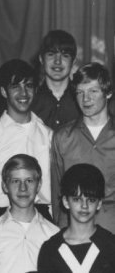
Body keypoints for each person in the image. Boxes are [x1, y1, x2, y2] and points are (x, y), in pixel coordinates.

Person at [0, 59, 53, 224]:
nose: (23, 93)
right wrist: (0, 220)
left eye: (28, 86)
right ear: (4, 91)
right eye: (15, 87)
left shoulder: (49, 135)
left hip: (42, 217)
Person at [51, 62, 115, 233]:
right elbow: (57, 192)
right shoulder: (63, 137)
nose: (86, 99)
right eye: (80, 92)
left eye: (93, 91)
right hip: (72, 231)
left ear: (108, 93)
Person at [0, 154, 59, 273]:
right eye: (15, 181)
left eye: (29, 181)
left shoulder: (54, 234)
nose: (22, 188)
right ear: (5, 186)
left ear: (38, 185)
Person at [38, 164, 115, 273]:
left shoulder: (110, 245)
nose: (84, 205)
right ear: (65, 202)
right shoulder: (50, 249)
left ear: (99, 204)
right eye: (77, 199)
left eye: (91, 200)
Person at [31, 30, 80, 131]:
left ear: (73, 61)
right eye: (51, 54)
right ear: (41, 59)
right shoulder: (30, 99)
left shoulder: (82, 99)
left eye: (65, 55)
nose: (57, 61)